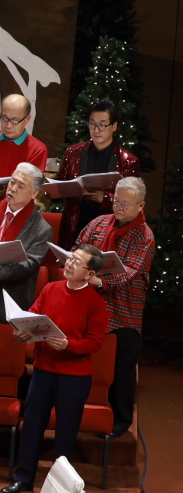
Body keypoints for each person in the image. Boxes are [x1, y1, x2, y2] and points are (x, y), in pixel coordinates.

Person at [5, 245, 110, 493]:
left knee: (65, 432)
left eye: (77, 262)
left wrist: (68, 345)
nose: (69, 264)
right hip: (43, 370)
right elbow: (32, 315)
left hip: (74, 377)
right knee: (32, 425)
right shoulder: (51, 288)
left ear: (89, 274)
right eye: (70, 258)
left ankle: (58, 488)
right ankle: (24, 478)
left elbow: (95, 343)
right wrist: (22, 331)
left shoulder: (96, 303)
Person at [78, 177, 152, 439]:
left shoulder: (144, 236)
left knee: (122, 364)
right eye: (116, 201)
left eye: (125, 204)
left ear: (140, 206)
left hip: (124, 309)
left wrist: (98, 280)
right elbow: (78, 248)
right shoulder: (98, 223)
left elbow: (129, 273)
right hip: (89, 304)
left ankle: (121, 419)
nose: (118, 207)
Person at [60, 98, 142, 248]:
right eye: (92, 123)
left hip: (108, 230)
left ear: (114, 126)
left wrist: (104, 198)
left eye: (102, 125)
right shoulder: (73, 152)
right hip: (74, 226)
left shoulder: (128, 161)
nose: (96, 130)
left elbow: (131, 202)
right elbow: (59, 186)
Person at [0, 162, 56, 311]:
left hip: (9, 294)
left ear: (34, 193)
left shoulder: (42, 229)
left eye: (21, 186)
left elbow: (27, 266)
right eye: (12, 182)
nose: (12, 188)